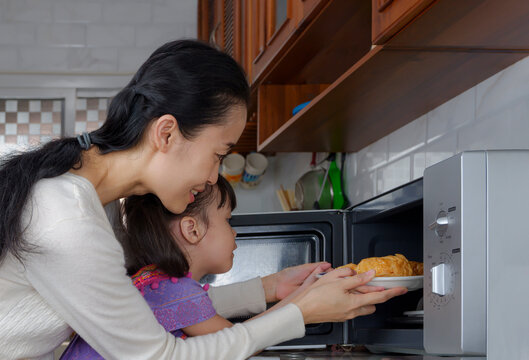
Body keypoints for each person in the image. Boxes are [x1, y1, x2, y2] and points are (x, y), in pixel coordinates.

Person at [0, 39, 407, 360]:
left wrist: (268, 289)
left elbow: (146, 307)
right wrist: (299, 314)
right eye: (218, 155)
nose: (214, 176)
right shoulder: (68, 220)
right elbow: (159, 355)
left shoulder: (98, 205)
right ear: (166, 134)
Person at [61, 175, 325, 359]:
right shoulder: (179, 291)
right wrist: (302, 304)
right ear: (192, 229)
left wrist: (279, 288)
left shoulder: (152, 280)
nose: (234, 234)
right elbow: (237, 345)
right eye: (227, 221)